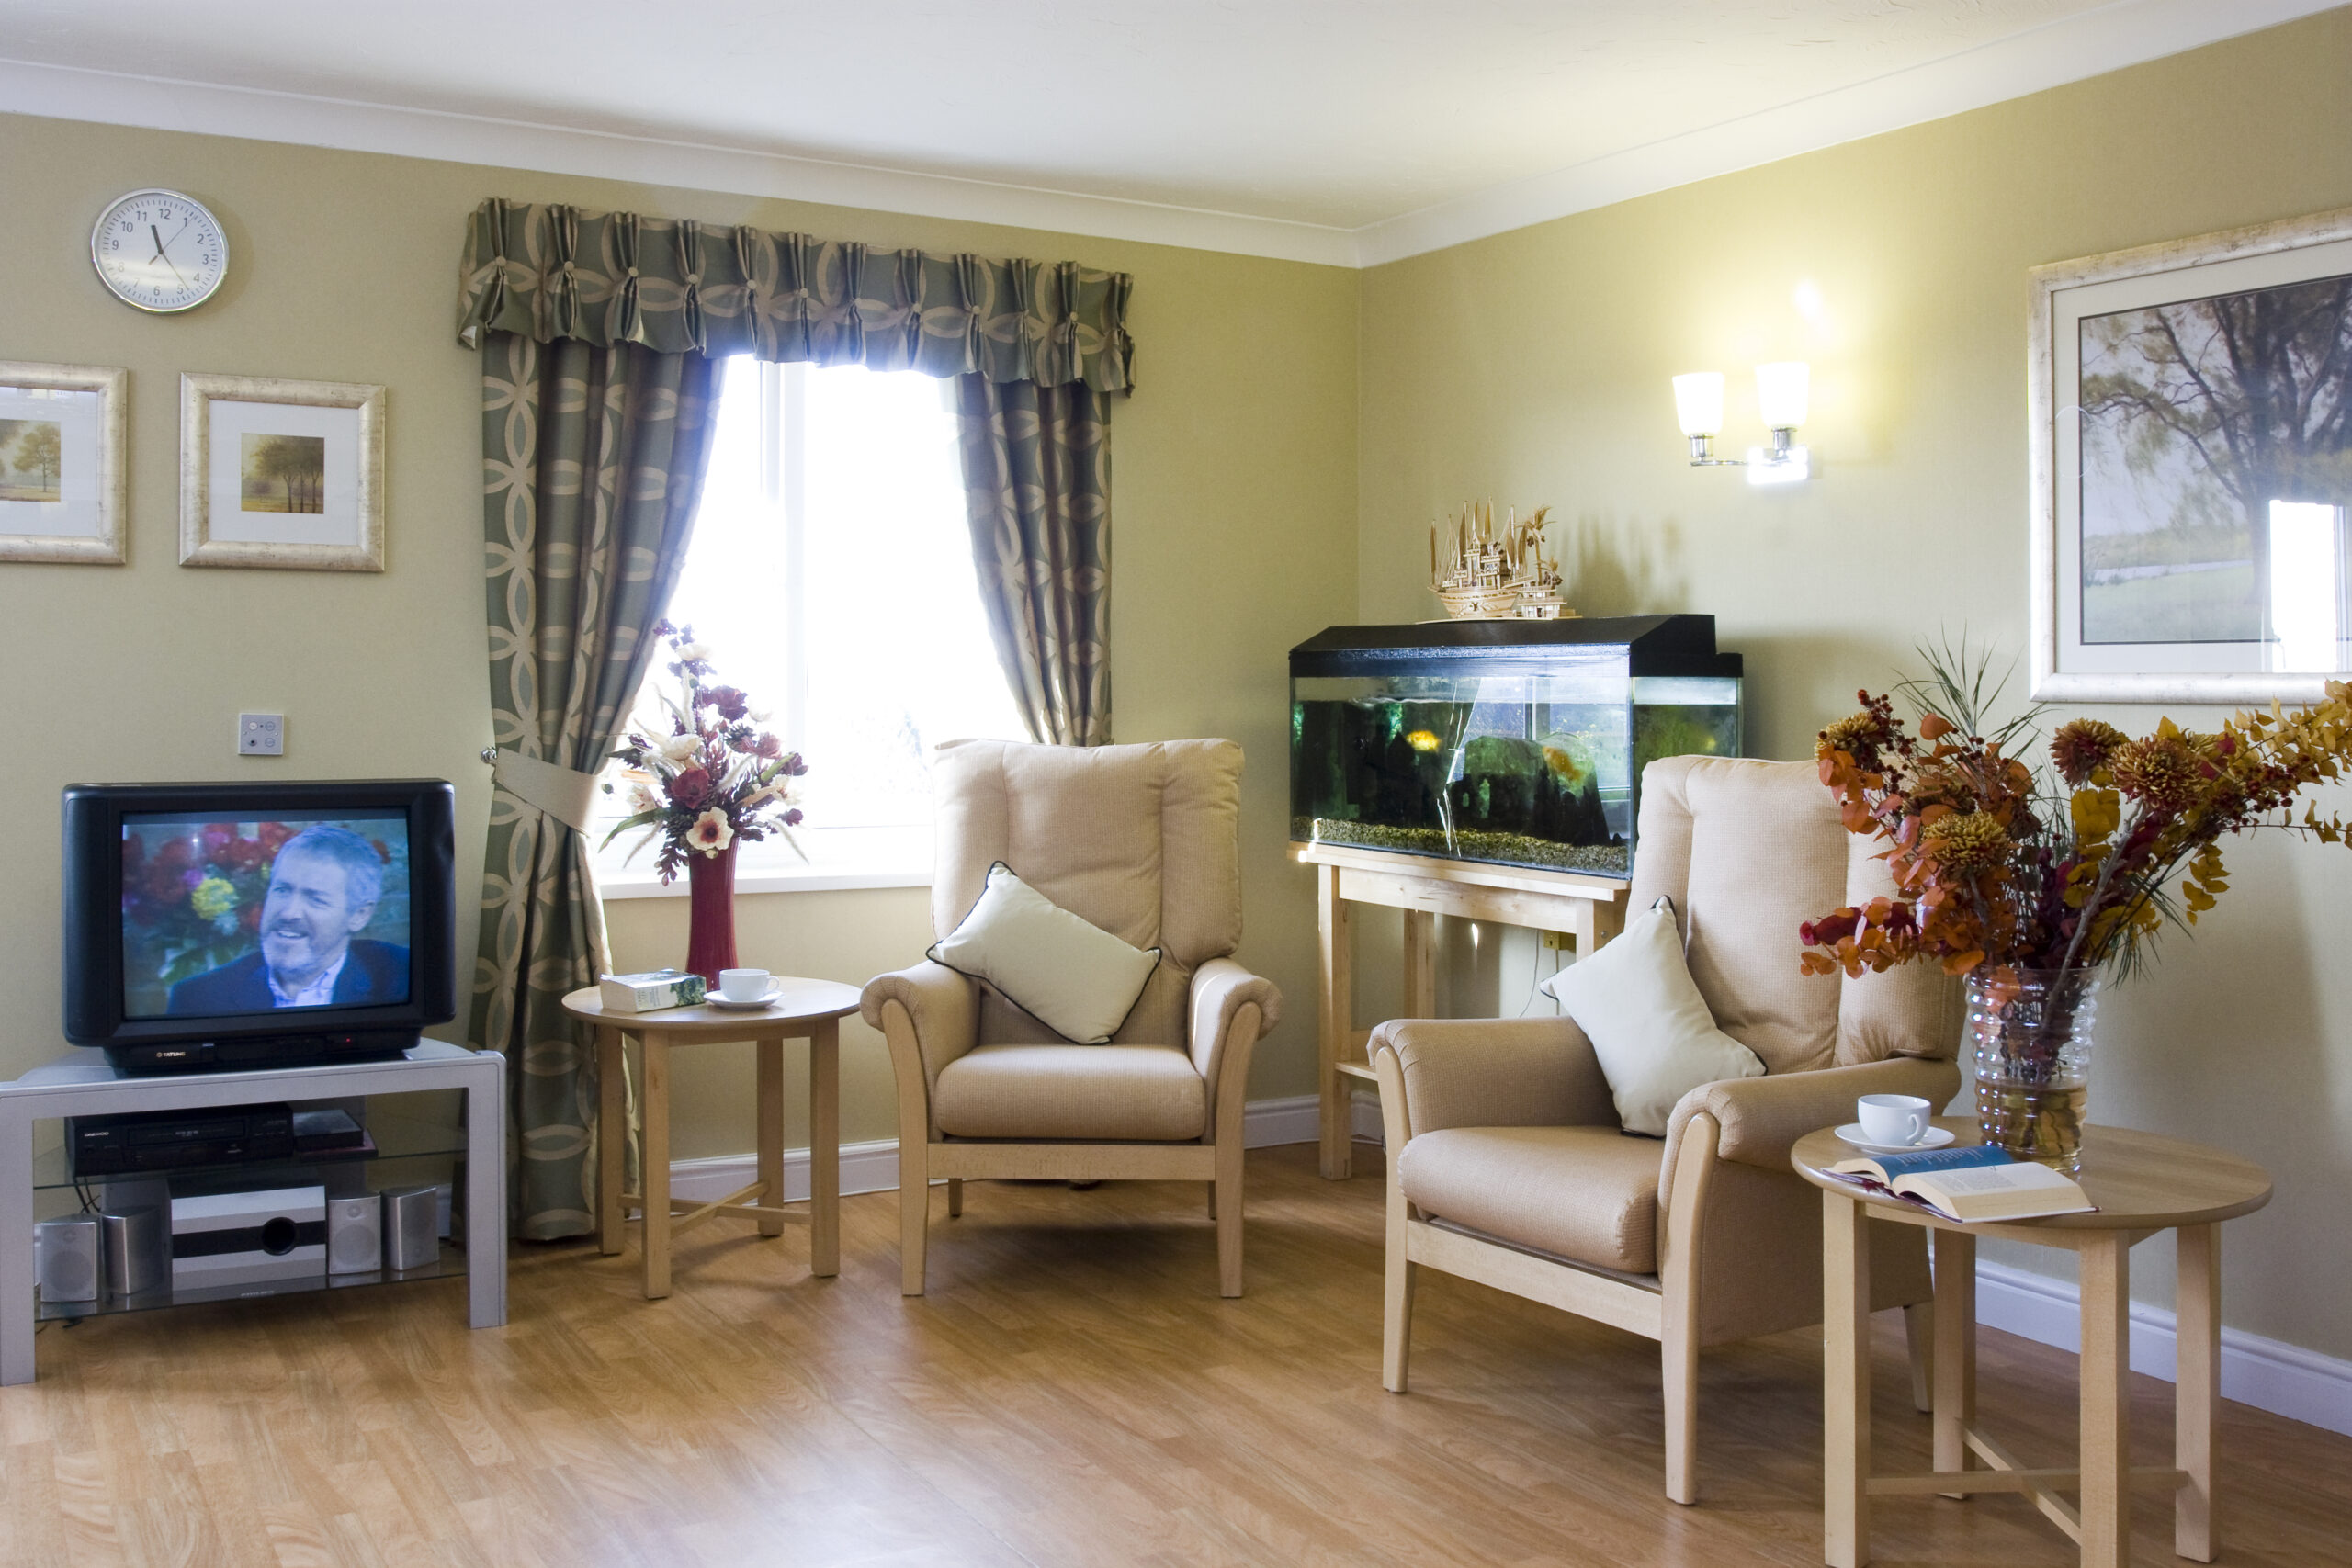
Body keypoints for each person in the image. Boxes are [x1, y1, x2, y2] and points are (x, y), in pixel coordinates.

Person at [166, 825, 408, 1015]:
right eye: (282, 890)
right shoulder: (196, 998)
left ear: (359, 915)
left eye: (315, 898)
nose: (288, 913)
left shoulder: (400, 977)